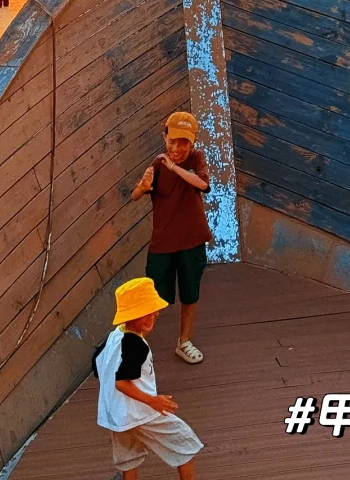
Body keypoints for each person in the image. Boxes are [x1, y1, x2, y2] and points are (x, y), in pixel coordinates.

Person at [93, 277, 203, 480]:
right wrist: (153, 400)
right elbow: (121, 382)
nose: (153, 315)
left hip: (116, 414)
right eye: (145, 313)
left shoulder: (115, 335)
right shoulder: (135, 346)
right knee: (184, 444)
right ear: (131, 315)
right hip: (141, 412)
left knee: (128, 456)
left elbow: (98, 364)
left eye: (154, 310)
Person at [131, 111, 212, 365]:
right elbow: (136, 194)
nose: (178, 147)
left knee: (190, 292)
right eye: (173, 140)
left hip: (192, 239)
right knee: (154, 295)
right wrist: (142, 189)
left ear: (193, 142)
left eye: (185, 142)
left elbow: (201, 184)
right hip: (163, 242)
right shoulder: (157, 164)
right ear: (164, 135)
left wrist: (175, 166)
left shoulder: (196, 159)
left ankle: (184, 342)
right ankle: (138, 344)